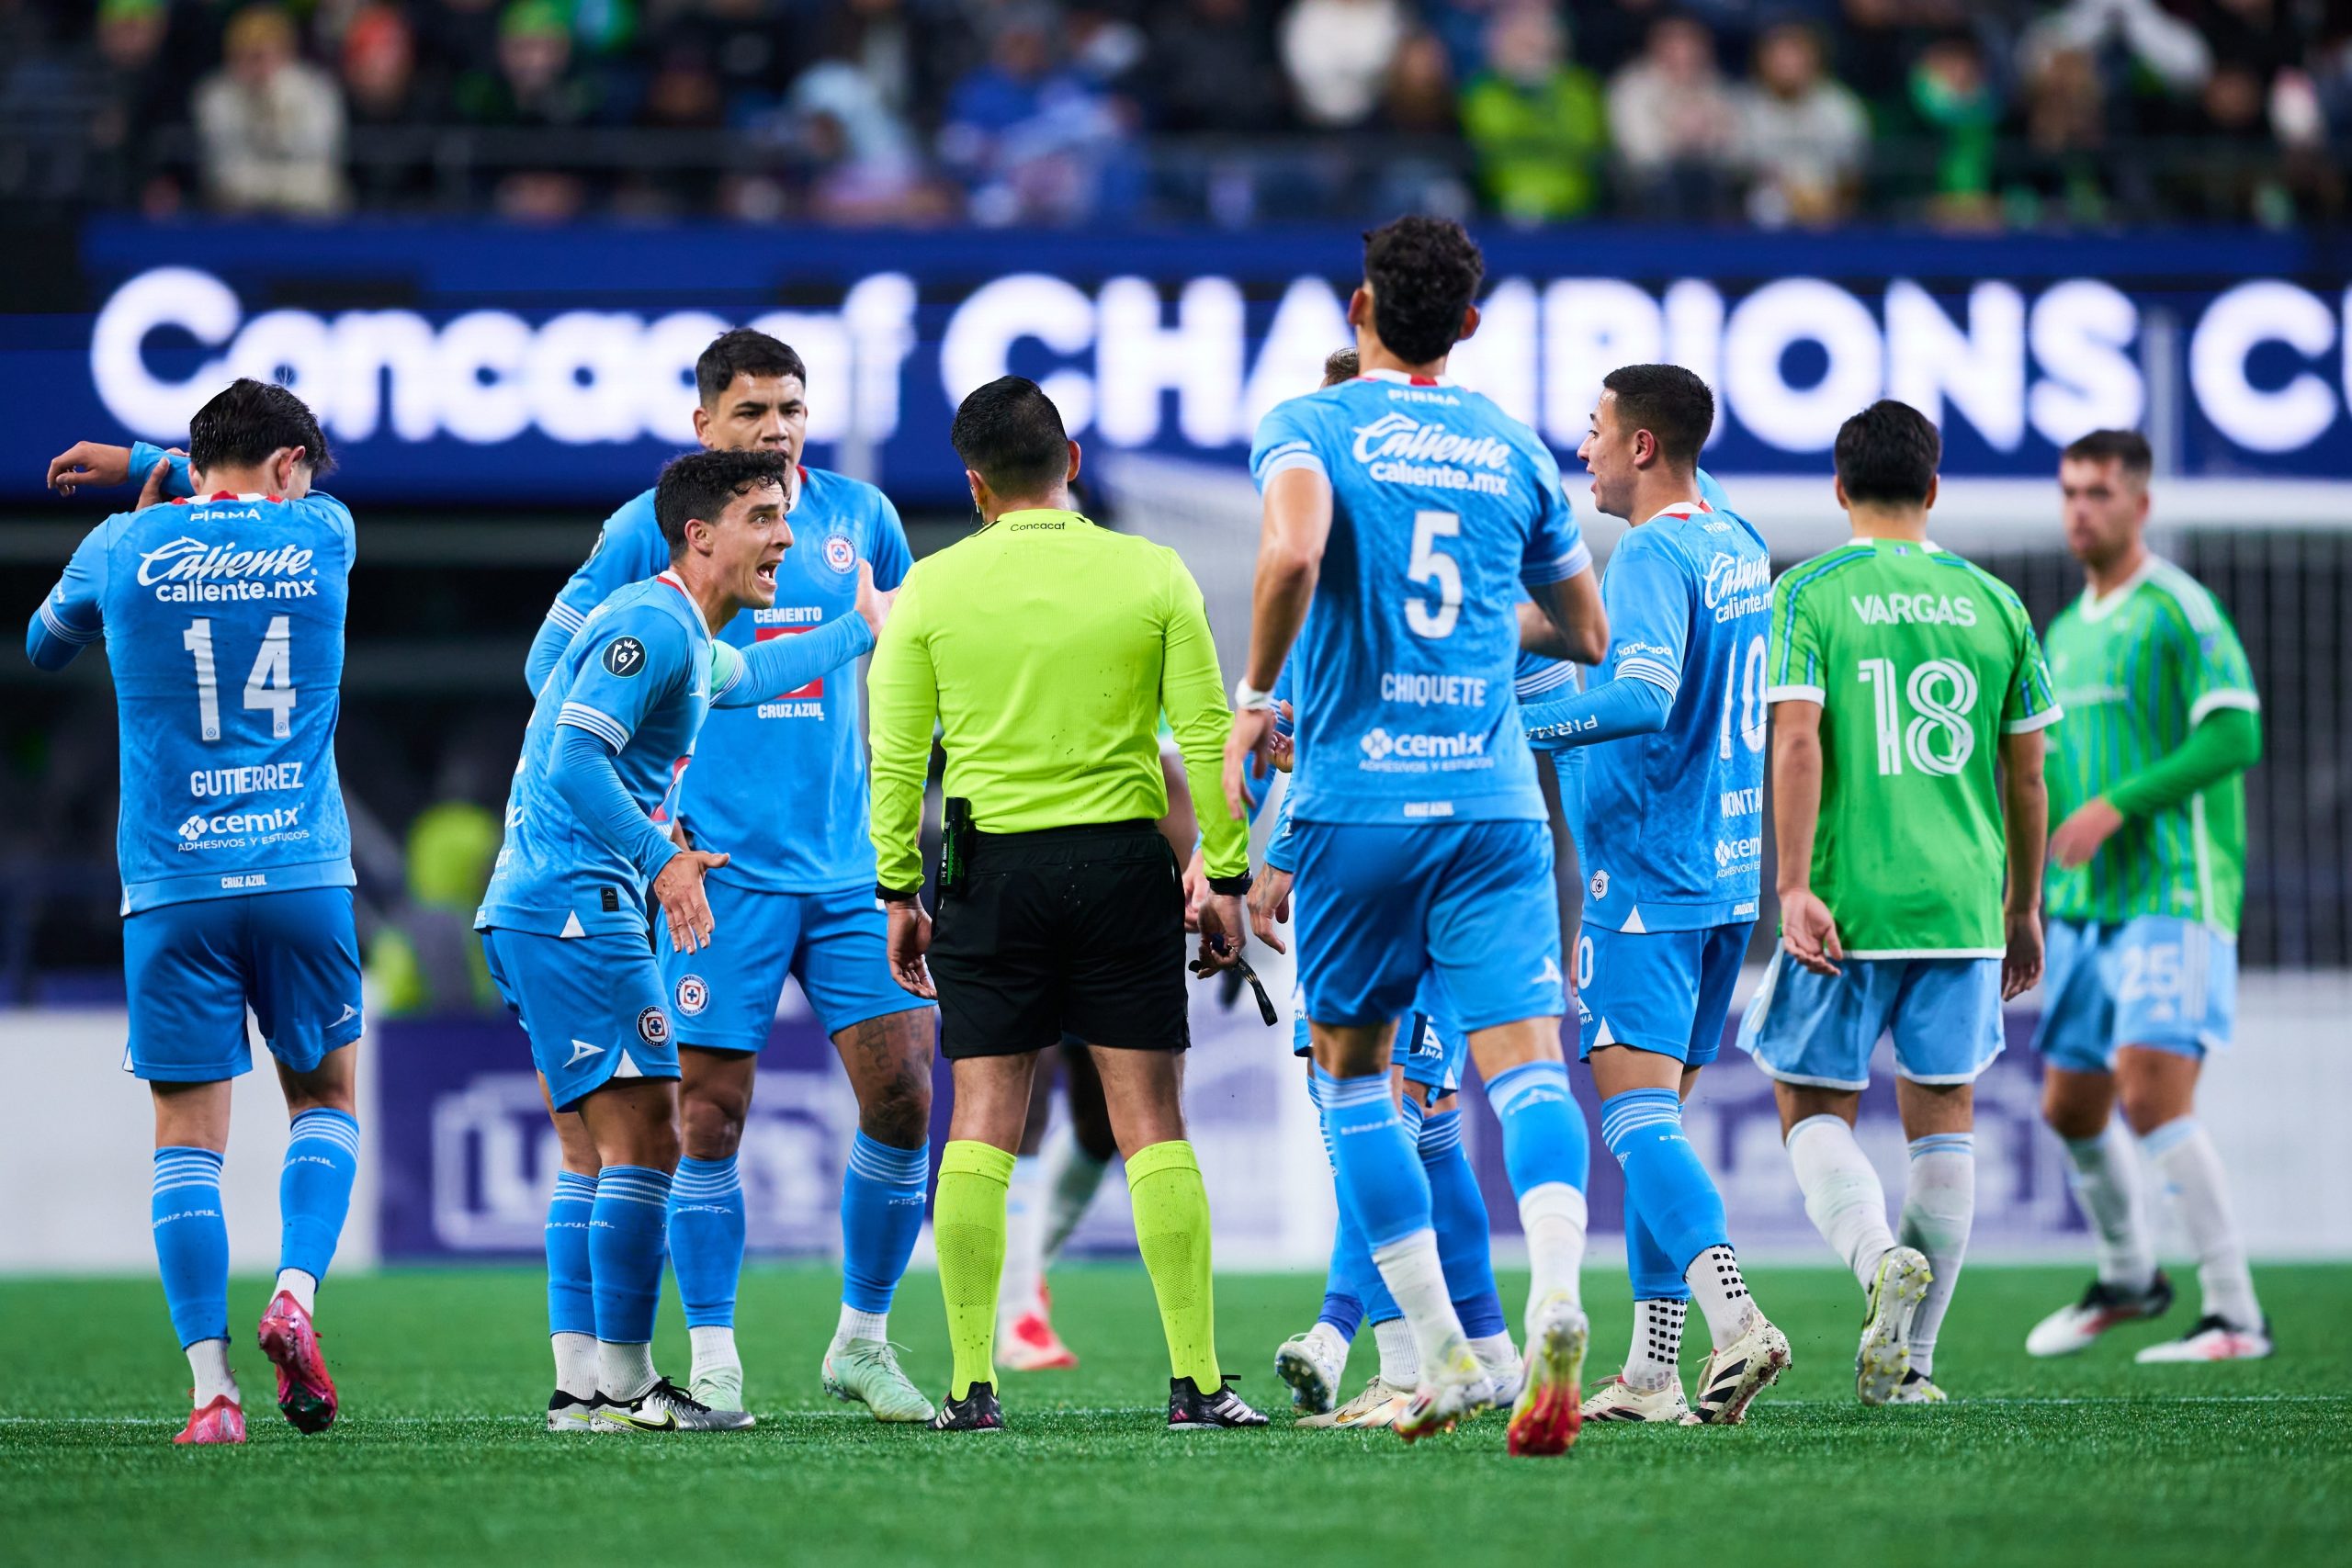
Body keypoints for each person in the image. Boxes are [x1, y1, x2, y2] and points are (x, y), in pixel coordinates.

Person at [1227, 216, 1609, 1454]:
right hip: (1494, 802)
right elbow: (1586, 628)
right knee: (1528, 1068)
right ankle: (1555, 1293)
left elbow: (1291, 545)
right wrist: (1487, 641)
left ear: (1360, 307)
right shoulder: (1512, 447)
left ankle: (1443, 1349)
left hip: (1356, 803)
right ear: (1473, 324)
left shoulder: (1312, 423)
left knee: (1352, 1079)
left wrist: (1252, 693)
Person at [524, 328, 935, 1423]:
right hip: (716, 869)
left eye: (792, 408)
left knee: (904, 1097)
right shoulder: (644, 529)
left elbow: (901, 655)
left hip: (851, 868)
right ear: (705, 423)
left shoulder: (861, 519)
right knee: (705, 1115)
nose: (778, 429)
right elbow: (543, 668)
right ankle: (711, 1356)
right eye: (752, 412)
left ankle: (862, 1340)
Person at [867, 374, 1264, 1434]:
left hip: (990, 873)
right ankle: (1196, 1384)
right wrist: (1222, 874)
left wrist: (897, 891)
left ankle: (966, 1388)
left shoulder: (933, 592)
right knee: (1151, 1123)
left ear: (974, 484)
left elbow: (897, 762)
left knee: (984, 1122)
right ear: (1073, 463)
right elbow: (1210, 731)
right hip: (1123, 867)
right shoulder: (1152, 571)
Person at [34, 382, 366, 1444]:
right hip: (302, 875)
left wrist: (141, 493)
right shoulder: (326, 534)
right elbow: (240, 491)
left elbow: (44, 648)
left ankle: (211, 1395)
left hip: (172, 887)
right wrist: (146, 458)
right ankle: (296, 1296)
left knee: (187, 1137)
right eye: (305, 464)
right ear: (288, 465)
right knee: (323, 1101)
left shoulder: (118, 550)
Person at [1736, 399, 2059, 1406]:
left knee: (1807, 1103)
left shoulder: (1810, 591)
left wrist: (1790, 885)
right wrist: (2021, 906)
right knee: (1943, 1121)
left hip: (1848, 894)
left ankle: (1880, 1261)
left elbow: (1794, 740)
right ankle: (1909, 1369)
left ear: (1838, 488)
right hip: (1963, 902)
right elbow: (2029, 774)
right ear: (1933, 487)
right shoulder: (1995, 603)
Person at [1518, 365, 1790, 1426]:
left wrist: (1516, 735)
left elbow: (1640, 695)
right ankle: (1650, 1371)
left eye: (1594, 432)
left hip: (1644, 879)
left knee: (1632, 1119)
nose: (1579, 449)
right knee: (1661, 1116)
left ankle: (1737, 1321)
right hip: (1723, 874)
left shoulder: (1648, 553)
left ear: (1640, 447)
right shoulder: (1733, 537)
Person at [1261, 346, 1526, 1431]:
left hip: (1428, 856)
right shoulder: (1346, 593)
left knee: (1401, 1113)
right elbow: (1320, 737)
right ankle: (1478, 1349)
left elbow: (1555, 685)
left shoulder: (1453, 571)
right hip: (1365, 857)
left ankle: (1404, 1350)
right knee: (1378, 1113)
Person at [2024, 429, 2271, 1364]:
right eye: (2068, 492)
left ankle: (2235, 1312)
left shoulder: (2179, 607)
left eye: (2096, 492)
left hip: (2175, 889)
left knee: (2150, 1092)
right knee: (2069, 1107)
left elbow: (2235, 736)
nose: (2078, 509)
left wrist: (2116, 806)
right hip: (2086, 902)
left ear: (2139, 503)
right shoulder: (2065, 628)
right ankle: (2129, 1276)